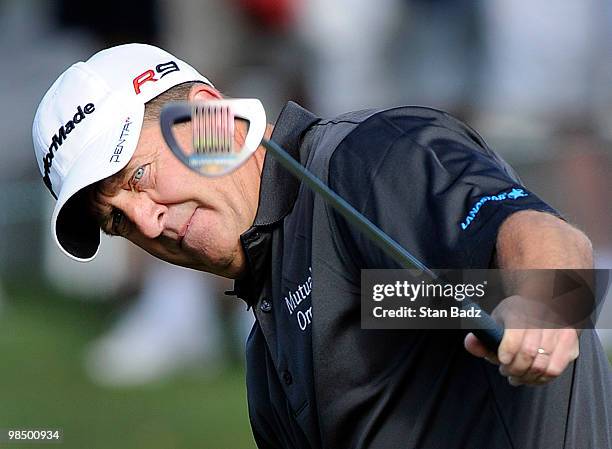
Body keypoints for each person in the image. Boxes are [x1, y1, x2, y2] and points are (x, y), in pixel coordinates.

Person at [32, 44, 611, 448]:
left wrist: (538, 309)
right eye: (117, 223)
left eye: (138, 178)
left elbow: (545, 246)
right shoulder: (268, 350)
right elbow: (411, 305)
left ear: (210, 120)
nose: (147, 224)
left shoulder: (367, 164)